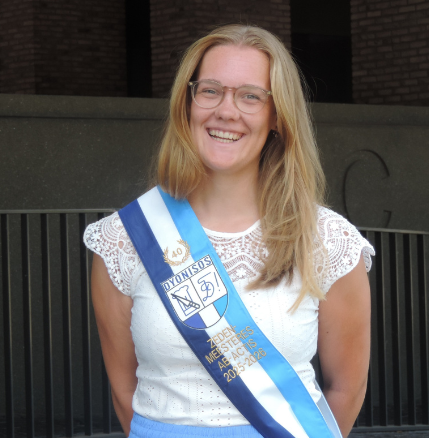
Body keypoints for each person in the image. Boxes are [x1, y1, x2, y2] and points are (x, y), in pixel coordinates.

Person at [84, 24, 374, 438]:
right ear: (187, 104)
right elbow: (123, 390)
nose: (226, 110)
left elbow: (346, 389)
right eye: (210, 90)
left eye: (250, 96)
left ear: (277, 116)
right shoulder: (125, 238)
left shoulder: (327, 239)